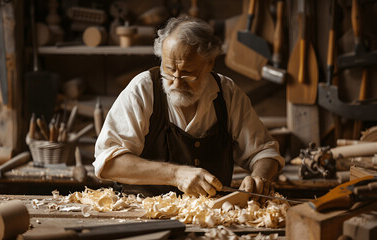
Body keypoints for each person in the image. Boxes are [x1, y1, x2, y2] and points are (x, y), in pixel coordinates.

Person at [93, 16, 284, 197]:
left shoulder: (228, 94)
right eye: (168, 70)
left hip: (210, 216)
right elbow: (107, 163)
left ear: (209, 63)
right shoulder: (143, 89)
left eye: (187, 74)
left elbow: (264, 152)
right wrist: (176, 174)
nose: (176, 83)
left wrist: (260, 177)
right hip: (141, 213)